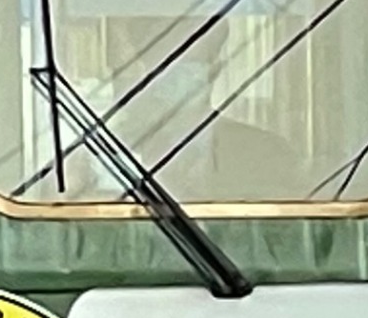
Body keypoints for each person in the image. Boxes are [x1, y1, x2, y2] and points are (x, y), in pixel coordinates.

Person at [96, 16, 303, 203]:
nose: (172, 74)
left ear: (214, 70)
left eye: (189, 61)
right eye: (161, 65)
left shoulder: (266, 154)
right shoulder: (115, 153)